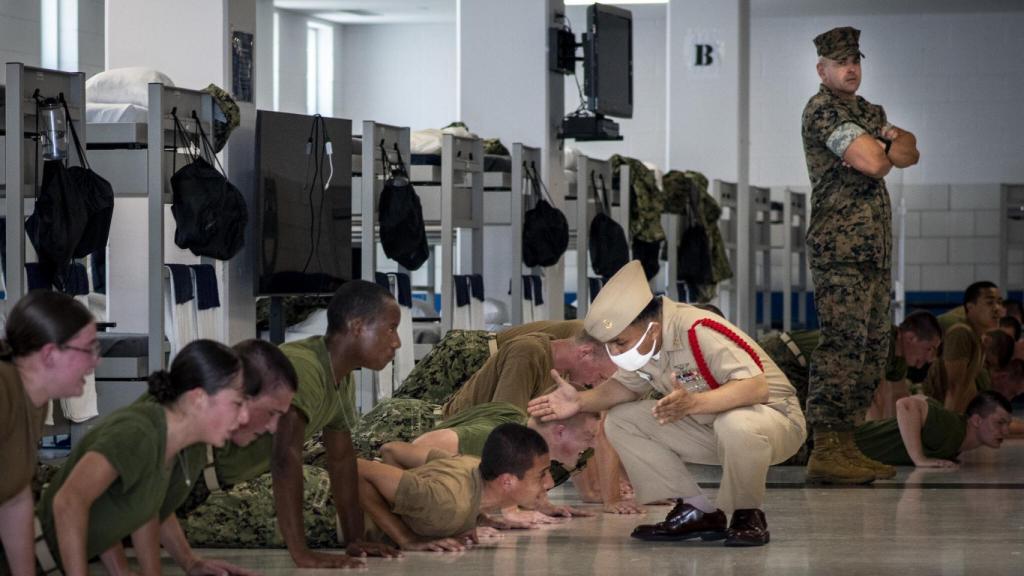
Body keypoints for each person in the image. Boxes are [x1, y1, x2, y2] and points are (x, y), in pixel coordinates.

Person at [529, 261, 806, 547]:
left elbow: (756, 387)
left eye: (620, 343)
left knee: (734, 422)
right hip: (714, 428)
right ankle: (694, 510)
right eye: (610, 345)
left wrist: (695, 403)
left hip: (773, 423)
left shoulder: (698, 330)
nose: (616, 352)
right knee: (621, 420)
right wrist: (580, 400)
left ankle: (747, 514)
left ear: (652, 327)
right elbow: (624, 387)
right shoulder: (648, 344)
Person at [179, 281, 401, 567]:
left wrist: (353, 540)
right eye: (390, 328)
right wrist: (300, 552)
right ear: (357, 326)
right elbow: (285, 456)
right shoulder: (306, 368)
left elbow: (343, 460)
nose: (396, 342)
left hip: (209, 482)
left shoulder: (341, 378)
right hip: (192, 473)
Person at [800, 26, 921, 484]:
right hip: (841, 249)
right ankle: (826, 446)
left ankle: (847, 443)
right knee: (843, 346)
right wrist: (882, 147)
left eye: (855, 60)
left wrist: (884, 144)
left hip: (872, 250)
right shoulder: (822, 111)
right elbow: (875, 162)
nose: (850, 68)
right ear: (822, 69)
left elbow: (908, 150)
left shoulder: (868, 111)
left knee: (871, 349)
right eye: (839, 62)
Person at [36, 340, 248, 576]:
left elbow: (112, 508)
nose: (244, 417)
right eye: (237, 404)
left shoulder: (167, 446)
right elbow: (69, 501)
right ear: (198, 398)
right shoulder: (140, 432)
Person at [144, 339, 297, 576]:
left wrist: (189, 562)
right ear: (243, 394)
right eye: (271, 412)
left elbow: (155, 505)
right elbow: (119, 505)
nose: (274, 427)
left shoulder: (198, 434)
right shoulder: (154, 427)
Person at [0, 292, 98, 576]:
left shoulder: (34, 401)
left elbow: (15, 499)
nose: (95, 362)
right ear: (50, 355)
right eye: (88, 350)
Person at [379, 402, 599, 523]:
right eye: (589, 436)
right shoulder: (493, 438)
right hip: (392, 428)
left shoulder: (522, 443)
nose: (594, 445)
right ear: (559, 432)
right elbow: (423, 444)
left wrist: (542, 505)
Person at [356, 423, 554, 551]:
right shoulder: (445, 501)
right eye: (541, 475)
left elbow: (392, 450)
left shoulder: (470, 465)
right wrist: (406, 537)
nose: (549, 483)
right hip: (327, 515)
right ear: (507, 481)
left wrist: (404, 507)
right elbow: (357, 469)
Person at [393, 320, 584, 404]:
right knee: (408, 406)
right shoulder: (586, 334)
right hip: (471, 354)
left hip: (488, 361)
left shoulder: (594, 337)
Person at [440, 330, 617, 418]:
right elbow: (503, 422)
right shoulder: (528, 353)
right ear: (585, 353)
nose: (596, 384)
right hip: (432, 427)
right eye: (601, 376)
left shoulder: (561, 372)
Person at [854, 391, 1012, 468]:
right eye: (999, 423)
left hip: (855, 448)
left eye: (1007, 425)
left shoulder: (956, 436)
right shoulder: (952, 426)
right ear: (977, 420)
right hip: (850, 446)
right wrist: (919, 459)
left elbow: (921, 397)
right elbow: (906, 404)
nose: (1006, 432)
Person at [923, 282, 1005, 412]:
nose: (997, 308)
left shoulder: (978, 339)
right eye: (990, 303)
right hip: (933, 412)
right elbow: (954, 388)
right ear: (970, 307)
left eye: (999, 302)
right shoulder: (961, 333)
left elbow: (967, 387)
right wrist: (949, 428)